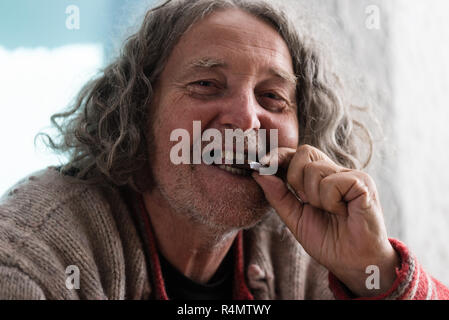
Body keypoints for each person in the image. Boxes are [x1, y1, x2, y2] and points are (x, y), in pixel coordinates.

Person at [0, 0, 448, 300]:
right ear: (137, 113)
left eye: (273, 97)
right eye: (206, 85)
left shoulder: (309, 248)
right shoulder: (32, 250)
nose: (246, 119)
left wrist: (373, 271)